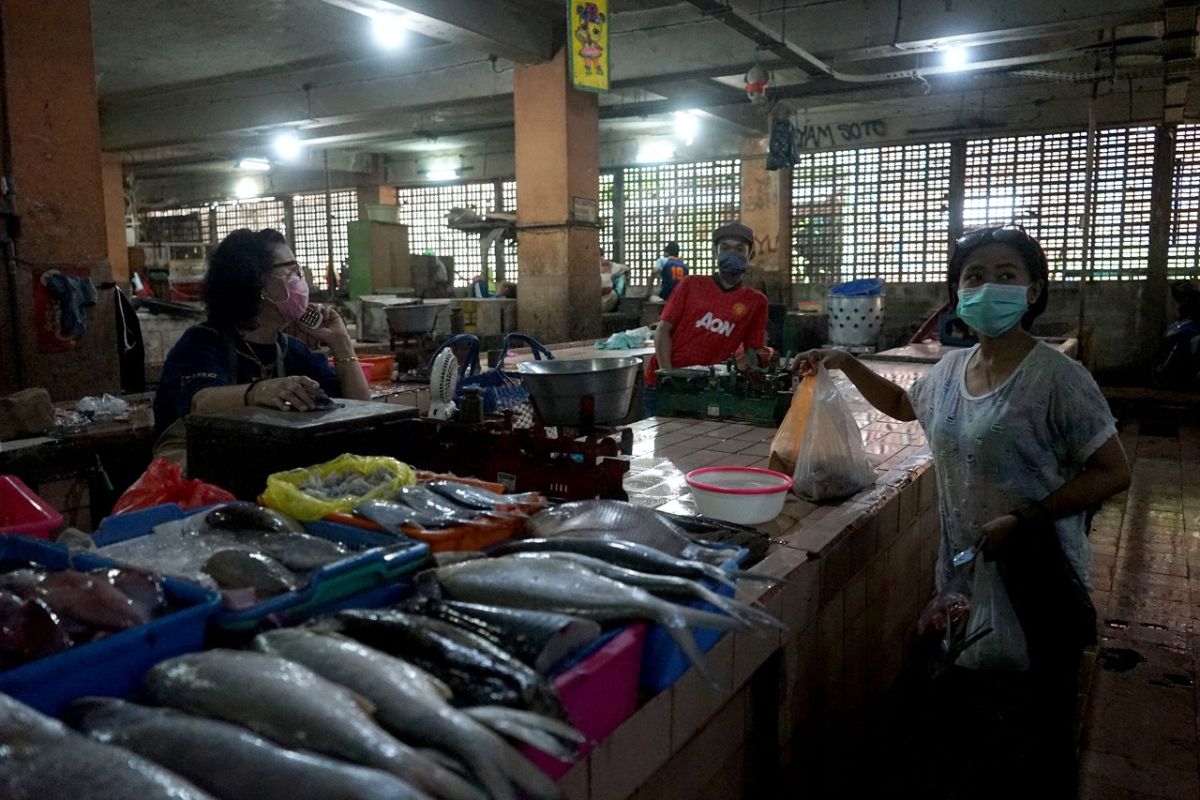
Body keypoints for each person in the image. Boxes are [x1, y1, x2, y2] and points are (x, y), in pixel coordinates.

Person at [794, 225, 1131, 797]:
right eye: (974, 276)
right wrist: (845, 361)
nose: (988, 288)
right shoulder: (951, 370)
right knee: (974, 715)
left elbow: (1112, 471)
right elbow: (904, 405)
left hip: (1034, 574)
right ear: (957, 293)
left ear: (1032, 292)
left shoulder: (1057, 378)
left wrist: (1026, 519)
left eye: (1006, 276)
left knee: (1035, 726)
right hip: (966, 572)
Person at [152, 228, 370, 469]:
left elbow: (361, 409)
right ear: (256, 282)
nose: (301, 280)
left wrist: (341, 343)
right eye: (291, 271)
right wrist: (258, 392)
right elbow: (200, 401)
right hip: (203, 484)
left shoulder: (292, 350)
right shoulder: (201, 344)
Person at [643, 221, 771, 416]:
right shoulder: (691, 285)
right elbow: (663, 330)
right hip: (663, 384)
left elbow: (752, 352)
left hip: (707, 390)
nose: (732, 254)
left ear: (750, 255)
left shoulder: (756, 302)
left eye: (739, 249)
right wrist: (668, 374)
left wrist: (734, 377)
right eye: (725, 248)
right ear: (715, 252)